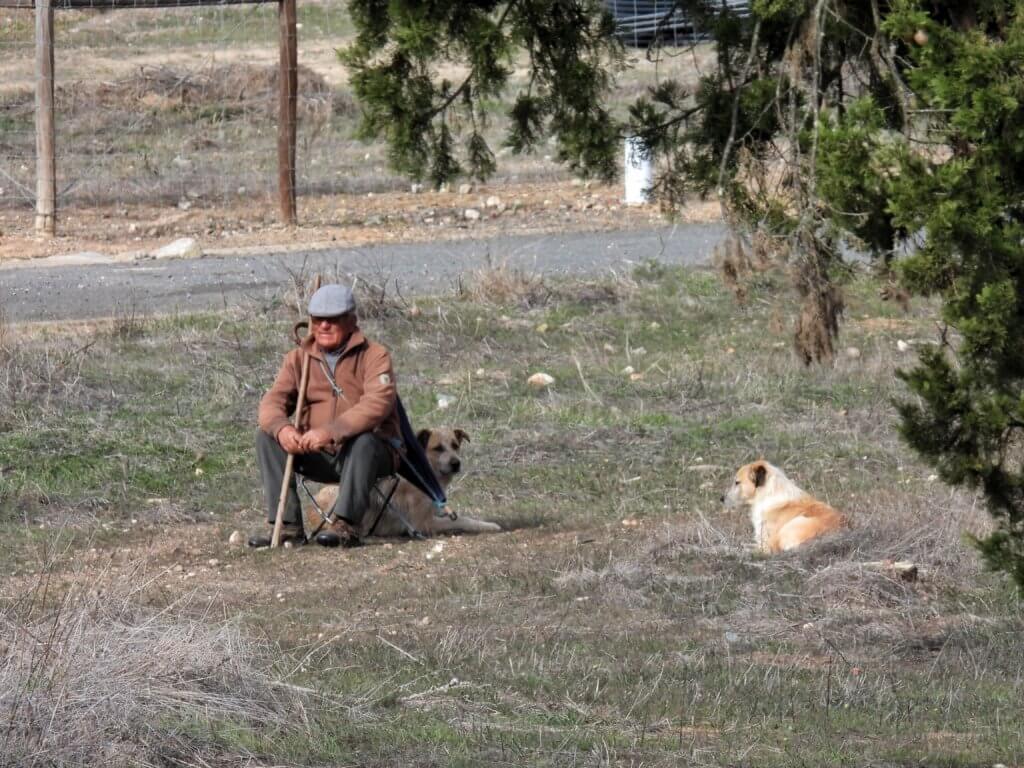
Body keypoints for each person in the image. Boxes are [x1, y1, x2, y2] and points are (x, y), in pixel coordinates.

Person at [250, 283, 400, 548]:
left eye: (333, 319)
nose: (324, 326)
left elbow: (378, 404)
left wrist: (331, 431)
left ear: (352, 320)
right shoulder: (298, 359)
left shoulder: (375, 356)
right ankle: (287, 527)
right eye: (318, 320)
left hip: (369, 455)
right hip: (316, 455)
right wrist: (282, 429)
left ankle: (345, 525)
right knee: (266, 437)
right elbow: (272, 402)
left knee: (364, 440)